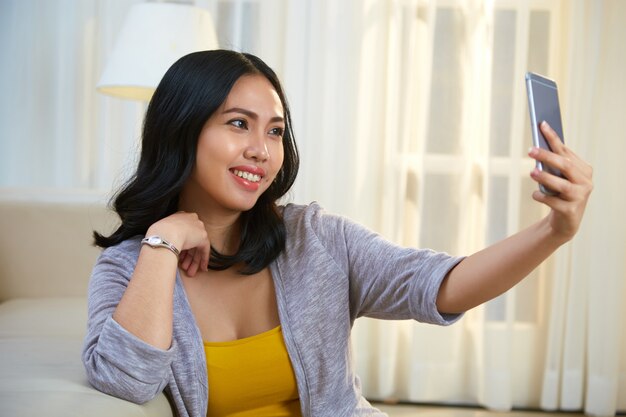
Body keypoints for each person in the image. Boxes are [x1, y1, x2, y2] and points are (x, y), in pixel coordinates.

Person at [82, 50, 593, 417]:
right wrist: (162, 242)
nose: (262, 149)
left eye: (276, 130)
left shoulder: (315, 238)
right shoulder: (131, 267)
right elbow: (124, 379)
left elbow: (437, 285)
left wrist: (553, 230)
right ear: (181, 131)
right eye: (239, 124)